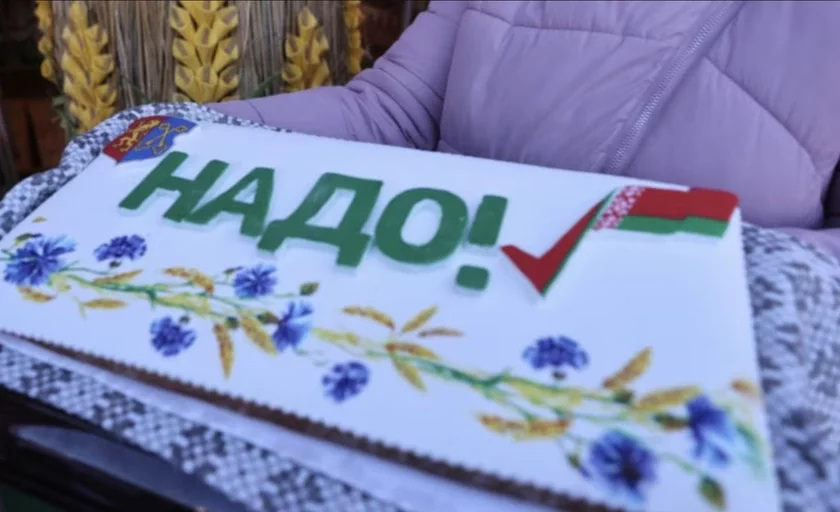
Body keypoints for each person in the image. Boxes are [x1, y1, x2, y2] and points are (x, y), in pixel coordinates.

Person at [210, 0, 840, 260]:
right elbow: (388, 115)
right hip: (431, 331)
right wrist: (186, 134)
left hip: (693, 403)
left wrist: (684, 270)